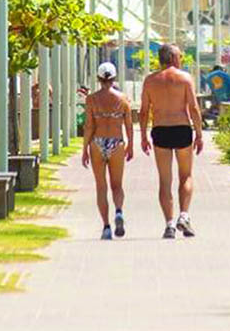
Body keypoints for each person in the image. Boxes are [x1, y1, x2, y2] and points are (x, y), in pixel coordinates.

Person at [139, 43, 203, 240]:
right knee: (186, 176)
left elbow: (143, 111)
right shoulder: (184, 79)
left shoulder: (150, 81)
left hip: (161, 130)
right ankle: (184, 215)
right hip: (181, 128)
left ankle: (169, 225)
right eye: (180, 57)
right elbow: (193, 108)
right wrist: (199, 133)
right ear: (174, 58)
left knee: (165, 180)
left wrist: (142, 135)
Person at [82, 62, 133, 240]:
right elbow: (128, 125)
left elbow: (89, 126)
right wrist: (131, 145)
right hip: (116, 142)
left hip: (97, 142)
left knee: (101, 186)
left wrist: (84, 149)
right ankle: (118, 211)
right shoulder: (123, 98)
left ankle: (106, 226)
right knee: (117, 185)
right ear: (114, 78)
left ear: (98, 79)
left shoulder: (92, 99)